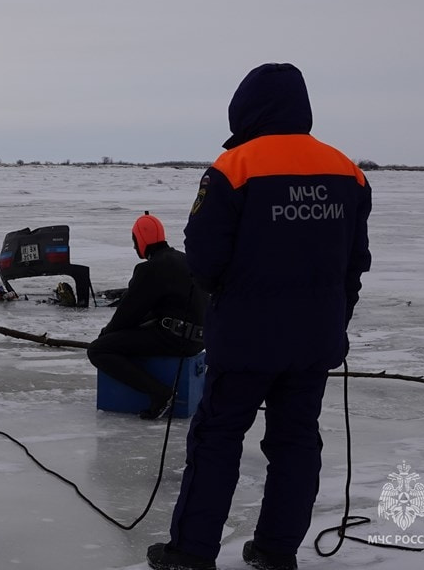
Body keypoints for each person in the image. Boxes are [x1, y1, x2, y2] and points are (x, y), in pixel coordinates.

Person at [147, 63, 372, 570]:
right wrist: (334, 320)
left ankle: (191, 552)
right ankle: (275, 550)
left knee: (217, 438)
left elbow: (203, 259)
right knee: (295, 441)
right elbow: (355, 265)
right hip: (314, 340)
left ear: (247, 108)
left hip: (246, 339)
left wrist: (229, 298)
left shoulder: (234, 168)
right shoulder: (347, 172)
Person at [86, 212, 207, 420]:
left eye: (135, 242)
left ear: (141, 240)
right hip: (199, 341)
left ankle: (160, 394)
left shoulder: (151, 268)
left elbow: (127, 315)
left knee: (98, 350)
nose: (134, 247)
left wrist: (105, 336)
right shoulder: (184, 259)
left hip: (176, 340)